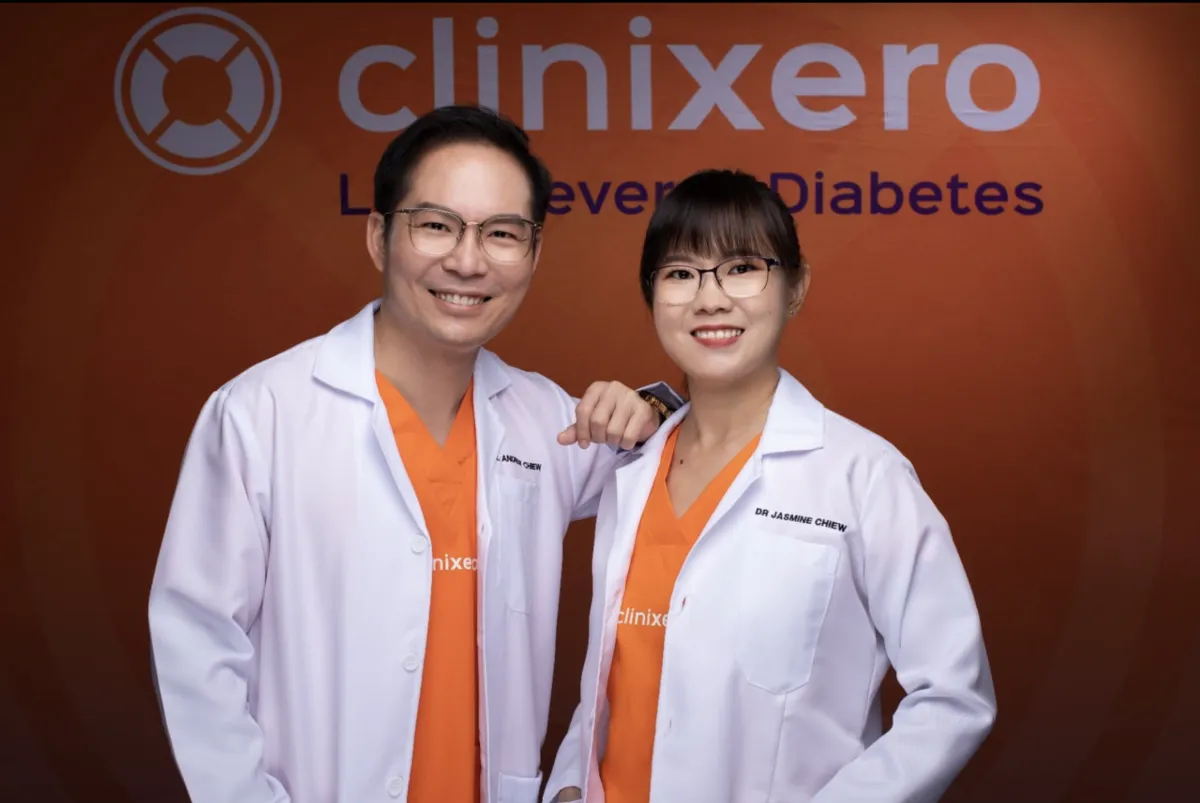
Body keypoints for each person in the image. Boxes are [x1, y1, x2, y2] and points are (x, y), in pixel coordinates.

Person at [147, 104, 683, 803]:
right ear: (379, 236)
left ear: (533, 254)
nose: (468, 260)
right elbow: (198, 642)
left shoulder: (543, 420)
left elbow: (683, 464)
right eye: (436, 225)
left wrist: (651, 407)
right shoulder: (264, 413)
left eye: (501, 233)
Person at [544, 169, 997, 803]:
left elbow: (953, 697)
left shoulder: (863, 475)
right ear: (652, 296)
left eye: (742, 268)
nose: (710, 299)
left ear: (795, 287)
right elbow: (615, 673)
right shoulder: (631, 467)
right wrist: (570, 781)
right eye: (680, 274)